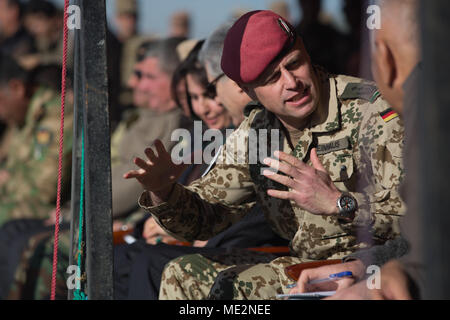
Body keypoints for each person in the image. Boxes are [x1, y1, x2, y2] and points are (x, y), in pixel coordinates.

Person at [125, 10, 405, 300]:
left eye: (294, 64)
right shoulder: (259, 132)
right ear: (247, 91)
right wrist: (163, 192)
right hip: (303, 270)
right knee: (182, 274)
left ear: (307, 54)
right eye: (272, 78)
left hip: (376, 269)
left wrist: (339, 203)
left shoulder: (371, 112)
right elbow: (206, 216)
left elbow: (416, 220)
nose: (291, 82)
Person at [290, 0, 422, 300]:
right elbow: (423, 241)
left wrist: (340, 203)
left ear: (383, 62)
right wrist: (363, 268)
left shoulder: (412, 123)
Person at [0, 57, 73, 299]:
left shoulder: (55, 113)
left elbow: (45, 187)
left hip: (49, 209)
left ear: (17, 89)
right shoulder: (21, 119)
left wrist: (8, 180)